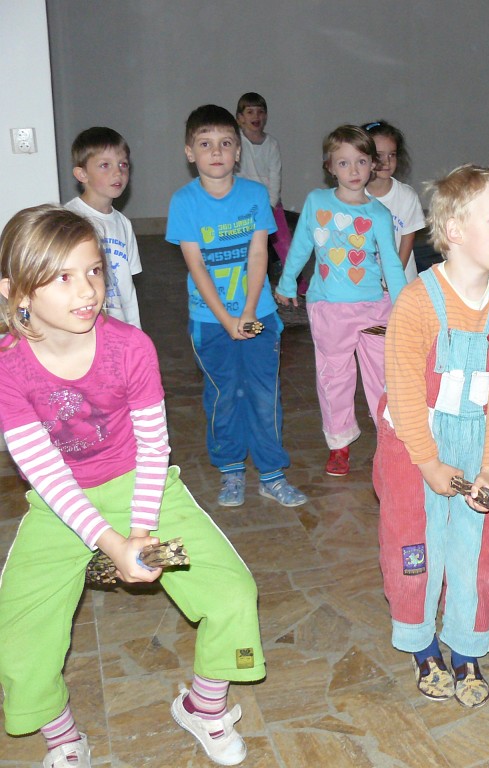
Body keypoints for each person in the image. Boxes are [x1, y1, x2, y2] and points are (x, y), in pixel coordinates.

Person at [0, 205, 265, 768]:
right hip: (60, 504)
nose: (87, 290)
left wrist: (139, 532)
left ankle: (203, 706)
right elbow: (45, 474)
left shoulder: (131, 347)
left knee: (232, 593)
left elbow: (152, 448)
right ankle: (62, 736)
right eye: (63, 277)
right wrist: (110, 543)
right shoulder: (7, 366)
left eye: (94, 270)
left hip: (143, 488)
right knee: (18, 633)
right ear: (16, 292)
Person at [373, 165, 489, 707]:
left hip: (480, 441)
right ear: (455, 230)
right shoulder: (417, 302)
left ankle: (466, 645)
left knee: (479, 549)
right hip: (415, 443)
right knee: (415, 545)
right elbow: (403, 392)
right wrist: (429, 462)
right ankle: (421, 643)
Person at [166, 104, 307, 508]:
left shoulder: (254, 195)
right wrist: (226, 318)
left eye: (226, 143)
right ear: (190, 152)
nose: (216, 151)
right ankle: (230, 470)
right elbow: (196, 267)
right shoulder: (184, 202)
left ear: (238, 151)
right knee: (224, 394)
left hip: (258, 316)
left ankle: (271, 474)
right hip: (210, 321)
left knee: (263, 393)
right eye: (205, 144)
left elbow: (259, 254)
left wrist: (247, 312)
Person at [274, 125, 407, 477]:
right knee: (334, 377)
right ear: (330, 167)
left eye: (361, 161)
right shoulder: (317, 203)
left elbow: (391, 262)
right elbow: (302, 244)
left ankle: (390, 439)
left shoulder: (378, 214)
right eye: (344, 163)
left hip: (375, 308)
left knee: (384, 377)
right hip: (330, 309)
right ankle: (339, 443)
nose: (353, 170)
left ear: (372, 164)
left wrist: (404, 306)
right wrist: (287, 282)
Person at [64, 127, 143, 328]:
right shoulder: (69, 220)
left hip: (119, 327)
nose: (118, 172)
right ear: (82, 174)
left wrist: (134, 329)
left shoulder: (123, 224)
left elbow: (127, 287)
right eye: (105, 165)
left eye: (123, 164)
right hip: (86, 326)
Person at [234, 92, 300, 290]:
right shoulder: (236, 143)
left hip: (269, 202)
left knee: (284, 243)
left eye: (261, 112)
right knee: (245, 243)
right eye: (250, 112)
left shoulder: (271, 144)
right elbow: (236, 174)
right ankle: (245, 277)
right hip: (244, 203)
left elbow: (275, 175)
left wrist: (270, 204)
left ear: (266, 116)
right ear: (240, 118)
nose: (256, 116)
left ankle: (294, 282)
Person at [363, 120, 426, 285]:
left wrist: (391, 281)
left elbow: (407, 243)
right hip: (365, 284)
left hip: (400, 282)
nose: (387, 161)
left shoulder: (406, 196)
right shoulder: (353, 197)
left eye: (392, 154)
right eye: (379, 155)